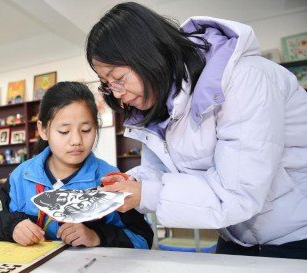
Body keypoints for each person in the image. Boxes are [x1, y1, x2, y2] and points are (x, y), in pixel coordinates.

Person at [86, 2, 307, 259]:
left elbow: (237, 193)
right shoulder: (161, 103)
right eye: (107, 84)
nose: (117, 94)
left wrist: (145, 193)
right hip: (237, 236)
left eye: (119, 78)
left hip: (297, 236)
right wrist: (134, 182)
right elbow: (160, 171)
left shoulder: (245, 79)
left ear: (148, 54)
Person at [0, 81, 153, 248]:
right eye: (64, 131)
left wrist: (97, 236)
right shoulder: (20, 177)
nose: (76, 141)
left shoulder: (111, 180)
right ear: (43, 130)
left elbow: (142, 239)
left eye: (85, 130)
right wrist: (12, 227)